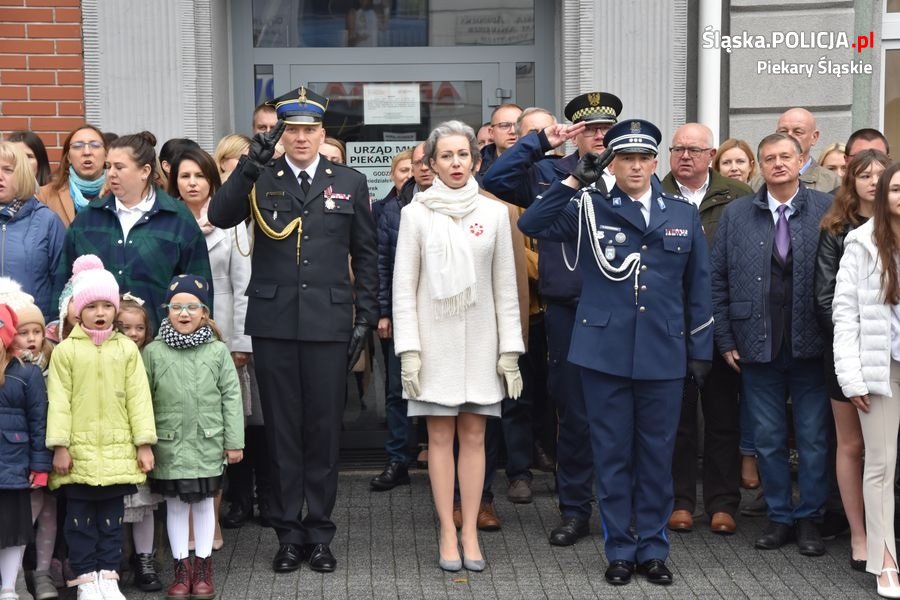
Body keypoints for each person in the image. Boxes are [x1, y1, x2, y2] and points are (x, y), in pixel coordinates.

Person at [518, 119, 713, 586]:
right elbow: (531, 222)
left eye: (644, 158)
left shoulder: (681, 213)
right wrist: (571, 180)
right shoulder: (590, 207)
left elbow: (698, 287)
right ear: (613, 162)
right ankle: (619, 549)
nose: (637, 166)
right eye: (626, 158)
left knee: (656, 454)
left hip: (663, 352)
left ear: (655, 162)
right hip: (604, 352)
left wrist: (700, 346)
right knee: (611, 454)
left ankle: (652, 547)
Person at [208, 86, 377, 574]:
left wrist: (365, 315)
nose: (301, 138)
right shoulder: (262, 176)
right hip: (276, 321)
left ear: (323, 134)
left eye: (309, 130)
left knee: (323, 430)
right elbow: (220, 216)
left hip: (328, 321)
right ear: (281, 134)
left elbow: (366, 254)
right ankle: (287, 533)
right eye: (292, 130)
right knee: (282, 431)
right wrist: (248, 166)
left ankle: (320, 531)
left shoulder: (348, 180)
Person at [482, 91, 622, 545]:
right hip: (569, 310)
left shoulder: (634, 171)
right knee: (574, 414)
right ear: (575, 133)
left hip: (621, 310)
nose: (599, 136)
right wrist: (540, 141)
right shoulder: (549, 172)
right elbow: (495, 178)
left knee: (621, 414)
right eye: (589, 128)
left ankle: (623, 509)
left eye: (605, 128)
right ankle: (575, 508)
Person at [392, 120, 524, 572]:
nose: (454, 163)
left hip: (483, 342)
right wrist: (408, 350)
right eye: (445, 156)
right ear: (430, 163)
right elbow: (403, 289)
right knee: (439, 437)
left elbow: (506, 287)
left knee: (475, 436)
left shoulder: (494, 214)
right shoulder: (415, 213)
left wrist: (510, 351)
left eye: (462, 155)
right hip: (433, 344)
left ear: (476, 160)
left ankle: (470, 530)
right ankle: (447, 530)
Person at [711, 133, 832, 557]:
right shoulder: (737, 213)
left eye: (786, 157)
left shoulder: (826, 209)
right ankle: (779, 517)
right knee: (767, 437)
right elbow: (718, 279)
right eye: (769, 158)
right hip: (755, 343)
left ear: (802, 161)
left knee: (815, 438)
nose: (778, 164)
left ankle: (811, 519)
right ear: (759, 166)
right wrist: (725, 337)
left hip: (812, 344)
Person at [45, 255, 157, 600]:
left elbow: (139, 399)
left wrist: (144, 443)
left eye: (106, 305)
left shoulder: (126, 350)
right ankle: (85, 579)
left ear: (114, 309)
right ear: (77, 312)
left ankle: (108, 577)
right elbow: (59, 402)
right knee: (78, 522)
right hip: (77, 454)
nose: (99, 312)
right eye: (90, 306)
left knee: (111, 521)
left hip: (115, 452)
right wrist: (60, 446)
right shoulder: (65, 352)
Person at [167, 148, 263, 533]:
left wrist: (240, 342)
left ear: (212, 181)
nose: (192, 183)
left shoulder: (233, 221)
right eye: (185, 176)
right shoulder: (168, 219)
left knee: (218, 427)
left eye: (200, 176)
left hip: (221, 330)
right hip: (175, 329)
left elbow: (243, 285)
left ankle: (213, 521)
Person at [661, 123, 749, 536]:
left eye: (694, 150)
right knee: (674, 419)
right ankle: (679, 501)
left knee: (721, 416)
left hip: (719, 324)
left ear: (711, 154)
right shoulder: (652, 194)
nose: (685, 156)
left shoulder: (739, 197)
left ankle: (722, 502)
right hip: (667, 326)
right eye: (678, 148)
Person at [143, 274, 244, 600]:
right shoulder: (153, 352)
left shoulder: (217, 352)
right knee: (173, 507)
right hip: (169, 445)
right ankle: (180, 569)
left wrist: (234, 441)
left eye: (192, 307)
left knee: (203, 506)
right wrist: (143, 441)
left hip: (207, 442)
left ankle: (203, 569)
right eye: (176, 307)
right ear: (166, 310)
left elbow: (231, 396)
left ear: (204, 312)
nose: (184, 313)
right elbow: (142, 398)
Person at [54, 131, 212, 332]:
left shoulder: (177, 218)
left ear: (145, 171)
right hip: (98, 343)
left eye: (119, 167)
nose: (111, 173)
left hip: (160, 342)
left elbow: (199, 283)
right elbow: (63, 279)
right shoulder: (89, 218)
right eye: (108, 166)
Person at [815, 149, 890, 574]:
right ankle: (859, 534)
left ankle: (885, 534)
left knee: (885, 452)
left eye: (882, 174)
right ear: (851, 181)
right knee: (853, 445)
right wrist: (854, 353)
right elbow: (826, 300)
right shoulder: (837, 229)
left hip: (890, 355)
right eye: (864, 174)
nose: (873, 181)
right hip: (846, 352)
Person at [833, 163, 900, 597]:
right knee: (880, 464)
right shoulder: (860, 242)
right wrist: (851, 378)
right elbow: (845, 314)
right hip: (880, 367)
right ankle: (884, 561)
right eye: (896, 188)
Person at [2, 284, 58, 600]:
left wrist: (42, 463)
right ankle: (16, 580)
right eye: (24, 332)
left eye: (37, 330)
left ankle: (40, 573)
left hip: (40, 455)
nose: (32, 338)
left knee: (42, 516)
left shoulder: (44, 366)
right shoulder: (17, 371)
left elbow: (41, 417)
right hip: (17, 460)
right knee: (16, 524)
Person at [369, 147, 416, 492]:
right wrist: (383, 311)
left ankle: (439, 455)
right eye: (408, 166)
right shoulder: (389, 212)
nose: (415, 171)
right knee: (398, 390)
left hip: (442, 315)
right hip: (401, 313)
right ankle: (398, 458)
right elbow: (381, 265)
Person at [111, 293, 163, 592]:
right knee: (115, 504)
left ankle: (145, 560)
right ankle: (115, 559)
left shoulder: (151, 356)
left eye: (139, 328)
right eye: (125, 327)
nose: (133, 334)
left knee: (145, 505)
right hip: (116, 440)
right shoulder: (109, 354)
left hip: (145, 438)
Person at [0, 142, 65, 320]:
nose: (0, 176)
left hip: (33, 332)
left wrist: (52, 326)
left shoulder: (47, 221)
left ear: (22, 175)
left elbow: (61, 282)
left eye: (8, 169)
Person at [37, 125, 108, 227]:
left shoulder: (120, 194)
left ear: (106, 155)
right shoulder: (44, 196)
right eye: (78, 146)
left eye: (95, 145)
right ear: (69, 158)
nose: (87, 152)